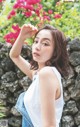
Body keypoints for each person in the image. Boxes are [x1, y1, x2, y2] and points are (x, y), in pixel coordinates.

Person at [9, 24, 69, 127]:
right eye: (36, 41)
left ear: (55, 52)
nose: (37, 46)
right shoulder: (38, 74)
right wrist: (22, 36)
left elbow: (49, 125)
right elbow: (14, 56)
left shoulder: (47, 74)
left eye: (45, 44)